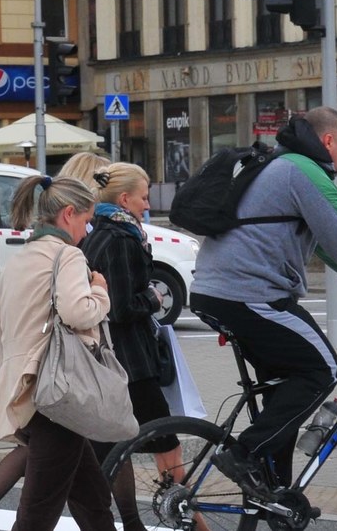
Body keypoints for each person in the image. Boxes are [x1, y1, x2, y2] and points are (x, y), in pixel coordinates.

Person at [189, 106, 337, 500]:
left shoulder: (281, 166)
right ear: (329, 141)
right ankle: (243, 453)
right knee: (322, 368)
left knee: (286, 387)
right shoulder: (304, 171)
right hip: (248, 294)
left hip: (221, 291)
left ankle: (276, 495)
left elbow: (332, 251)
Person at [0, 153, 115, 531]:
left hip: (25, 387)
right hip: (58, 393)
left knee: (92, 500)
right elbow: (79, 314)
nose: (87, 231)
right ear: (69, 214)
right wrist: (100, 292)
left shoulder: (21, 257)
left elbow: (7, 326)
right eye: (86, 221)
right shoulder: (67, 255)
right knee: (38, 512)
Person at [81, 162, 210, 531]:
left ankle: (134, 522)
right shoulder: (120, 239)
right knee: (164, 443)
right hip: (132, 362)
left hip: (117, 359)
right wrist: (153, 300)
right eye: (144, 195)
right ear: (124, 198)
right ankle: (193, 522)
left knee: (113, 449)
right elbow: (120, 307)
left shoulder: (105, 232)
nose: (147, 203)